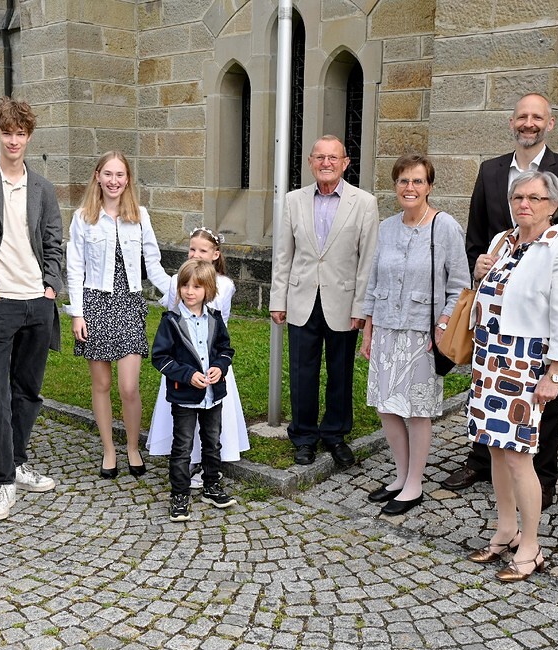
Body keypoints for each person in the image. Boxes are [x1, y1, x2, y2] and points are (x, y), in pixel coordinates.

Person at [441, 93, 558, 510]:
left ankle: (542, 475)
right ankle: (481, 463)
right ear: (511, 122)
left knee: (544, 403)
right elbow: (476, 233)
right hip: (495, 308)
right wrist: (478, 263)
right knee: (485, 397)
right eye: (522, 116)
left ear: (550, 123)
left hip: (535, 319)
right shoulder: (491, 170)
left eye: (537, 117)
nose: (529, 123)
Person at [466, 170, 558, 582]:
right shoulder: (502, 241)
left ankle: (531, 546)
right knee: (495, 449)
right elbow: (490, 294)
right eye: (518, 196)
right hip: (488, 358)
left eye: (534, 198)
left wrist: (556, 373)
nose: (524, 204)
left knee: (519, 455)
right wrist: (479, 272)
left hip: (526, 361)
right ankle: (506, 530)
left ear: (553, 206)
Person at [0, 96, 64, 521]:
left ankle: (19, 461)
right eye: (7, 132)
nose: (13, 140)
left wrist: (50, 287)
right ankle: (2, 481)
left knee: (27, 389)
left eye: (20, 133)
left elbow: (53, 240)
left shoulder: (42, 187)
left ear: (29, 137)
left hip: (37, 302)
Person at [360, 154, 468, 516]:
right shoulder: (387, 227)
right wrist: (368, 330)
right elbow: (374, 280)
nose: (410, 187)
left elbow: (460, 285)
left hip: (424, 333)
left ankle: (415, 484)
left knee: (418, 410)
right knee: (386, 406)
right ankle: (400, 475)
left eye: (418, 181)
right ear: (395, 186)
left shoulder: (444, 226)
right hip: (386, 329)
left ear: (429, 186)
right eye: (404, 181)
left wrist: (443, 325)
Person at [269, 135, 379, 467]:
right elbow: (283, 254)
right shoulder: (293, 201)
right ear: (310, 162)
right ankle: (303, 436)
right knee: (302, 372)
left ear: (345, 163)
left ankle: (334, 434)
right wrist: (278, 299)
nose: (326, 163)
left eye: (333, 157)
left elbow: (368, 260)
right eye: (320, 157)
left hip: (343, 302)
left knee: (340, 372)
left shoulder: (364, 203)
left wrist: (361, 308)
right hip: (301, 298)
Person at [66, 150, 171, 478]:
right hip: (95, 305)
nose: (114, 181)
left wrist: (178, 294)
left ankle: (132, 447)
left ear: (127, 180)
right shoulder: (83, 217)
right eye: (108, 174)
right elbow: (75, 268)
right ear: (97, 176)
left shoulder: (139, 216)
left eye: (120, 175)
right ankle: (109, 450)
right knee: (101, 383)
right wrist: (77, 313)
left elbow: (153, 263)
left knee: (128, 386)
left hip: (129, 304)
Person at [147, 227, 250, 488]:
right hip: (185, 365)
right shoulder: (178, 281)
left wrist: (218, 363)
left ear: (215, 254)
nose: (195, 254)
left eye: (202, 250)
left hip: (212, 363)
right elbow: (174, 318)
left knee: (211, 424)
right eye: (192, 249)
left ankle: (210, 467)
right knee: (184, 421)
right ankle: (187, 464)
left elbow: (222, 323)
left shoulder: (224, 285)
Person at [152, 259, 237, 522]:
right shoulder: (171, 322)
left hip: (213, 397)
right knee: (182, 447)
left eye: (197, 287)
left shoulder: (215, 319)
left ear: (208, 290)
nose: (190, 292)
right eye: (185, 286)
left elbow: (226, 350)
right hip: (185, 397)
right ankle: (179, 495)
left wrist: (220, 368)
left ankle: (212, 485)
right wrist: (188, 376)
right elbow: (160, 358)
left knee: (212, 443)